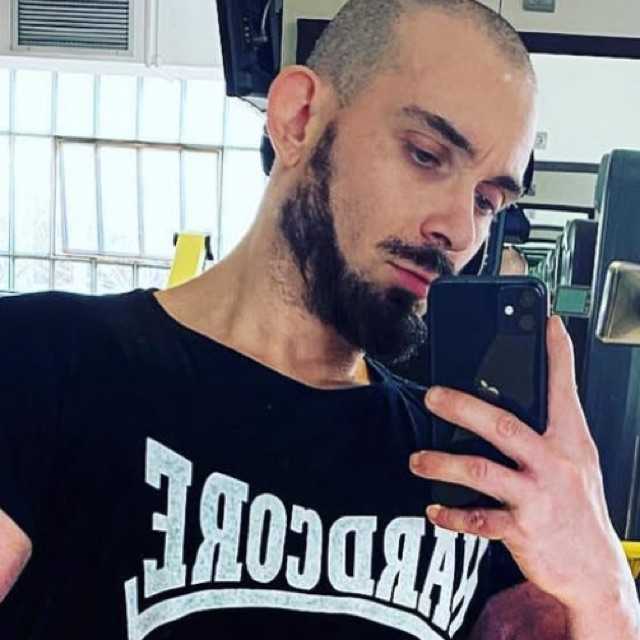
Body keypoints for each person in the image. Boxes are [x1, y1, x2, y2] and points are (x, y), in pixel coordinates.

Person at [0, 1, 638, 638]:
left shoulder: (465, 469)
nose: (459, 229)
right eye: (425, 155)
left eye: (486, 200)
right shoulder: (44, 361)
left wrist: (603, 587)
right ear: (299, 118)